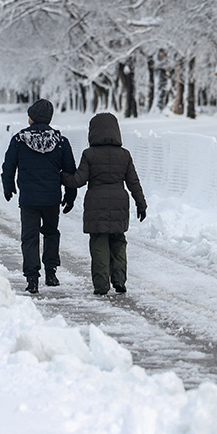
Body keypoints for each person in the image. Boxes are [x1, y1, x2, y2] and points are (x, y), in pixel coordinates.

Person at [61, 112, 146, 296]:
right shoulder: (124, 155)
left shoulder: (89, 154)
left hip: (95, 204)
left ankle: (101, 286)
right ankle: (119, 281)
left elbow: (78, 180)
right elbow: (133, 182)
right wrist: (141, 203)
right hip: (119, 204)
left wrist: (62, 176)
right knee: (118, 242)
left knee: (99, 244)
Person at [1, 99, 76, 294]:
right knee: (51, 233)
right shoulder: (60, 142)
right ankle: (51, 273)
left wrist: (8, 186)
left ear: (32, 118)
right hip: (51, 198)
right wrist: (70, 195)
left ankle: (32, 278)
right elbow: (69, 171)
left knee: (30, 237)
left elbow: (9, 166)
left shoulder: (19, 140)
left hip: (29, 199)